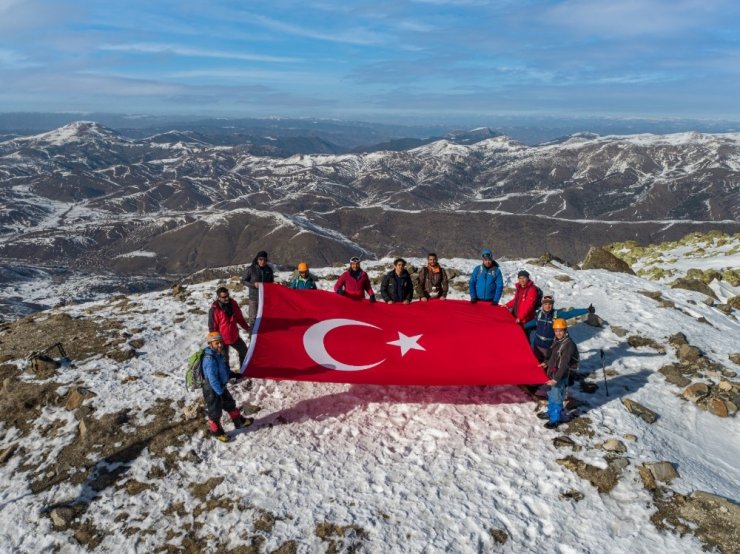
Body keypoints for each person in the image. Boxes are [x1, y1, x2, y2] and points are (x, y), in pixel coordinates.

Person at [201, 331, 252, 442]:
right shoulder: (209, 360)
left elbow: (223, 370)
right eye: (216, 343)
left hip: (220, 386)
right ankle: (217, 432)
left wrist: (234, 375)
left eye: (220, 342)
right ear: (210, 344)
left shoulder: (217, 354)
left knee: (230, 404)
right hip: (212, 390)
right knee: (215, 411)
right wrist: (220, 392)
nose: (220, 345)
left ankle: (239, 422)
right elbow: (212, 378)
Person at [525, 294, 594, 364]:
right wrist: (520, 326)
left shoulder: (556, 314)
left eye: (550, 304)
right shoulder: (539, 314)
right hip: (537, 345)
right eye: (545, 304)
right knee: (536, 364)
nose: (547, 306)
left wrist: (587, 310)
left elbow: (571, 313)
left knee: (547, 365)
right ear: (542, 304)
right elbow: (530, 323)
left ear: (553, 304)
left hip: (549, 347)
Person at [539, 318, 579, 429]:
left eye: (561, 330)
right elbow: (553, 356)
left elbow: (564, 365)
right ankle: (551, 413)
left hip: (560, 376)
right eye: (556, 330)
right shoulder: (557, 340)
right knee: (552, 394)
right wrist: (546, 363)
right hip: (554, 373)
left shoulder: (568, 345)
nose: (558, 333)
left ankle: (555, 419)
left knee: (556, 396)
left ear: (565, 330)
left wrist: (555, 379)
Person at [208, 286, 250, 370]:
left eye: (228, 296)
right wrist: (215, 343)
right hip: (221, 340)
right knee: (224, 360)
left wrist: (248, 328)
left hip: (234, 336)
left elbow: (240, 319)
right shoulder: (214, 310)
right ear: (218, 297)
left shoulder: (233, 304)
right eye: (224, 297)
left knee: (244, 352)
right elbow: (212, 328)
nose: (227, 298)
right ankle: (227, 376)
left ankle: (244, 371)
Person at [242, 250, 274, 326]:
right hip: (254, 298)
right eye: (260, 259)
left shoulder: (269, 270)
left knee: (264, 319)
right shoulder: (251, 269)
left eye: (265, 260)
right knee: (253, 320)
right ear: (257, 259)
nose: (262, 261)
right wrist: (253, 285)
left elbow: (271, 282)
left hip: (265, 298)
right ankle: (252, 337)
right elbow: (243, 280)